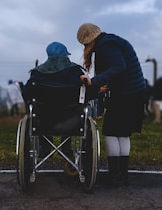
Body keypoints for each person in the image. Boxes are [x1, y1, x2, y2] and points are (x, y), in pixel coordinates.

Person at [77, 23, 146, 186]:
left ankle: (114, 175)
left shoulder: (105, 46)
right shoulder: (111, 41)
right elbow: (117, 70)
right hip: (133, 92)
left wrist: (94, 82)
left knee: (110, 132)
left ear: (89, 41)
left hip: (125, 93)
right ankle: (123, 175)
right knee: (122, 133)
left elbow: (118, 67)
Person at [22, 41, 87, 162]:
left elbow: (27, 94)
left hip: (43, 119)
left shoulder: (37, 73)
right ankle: (66, 148)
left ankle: (45, 147)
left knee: (40, 113)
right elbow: (87, 93)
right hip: (71, 120)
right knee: (70, 111)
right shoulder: (76, 72)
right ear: (65, 56)